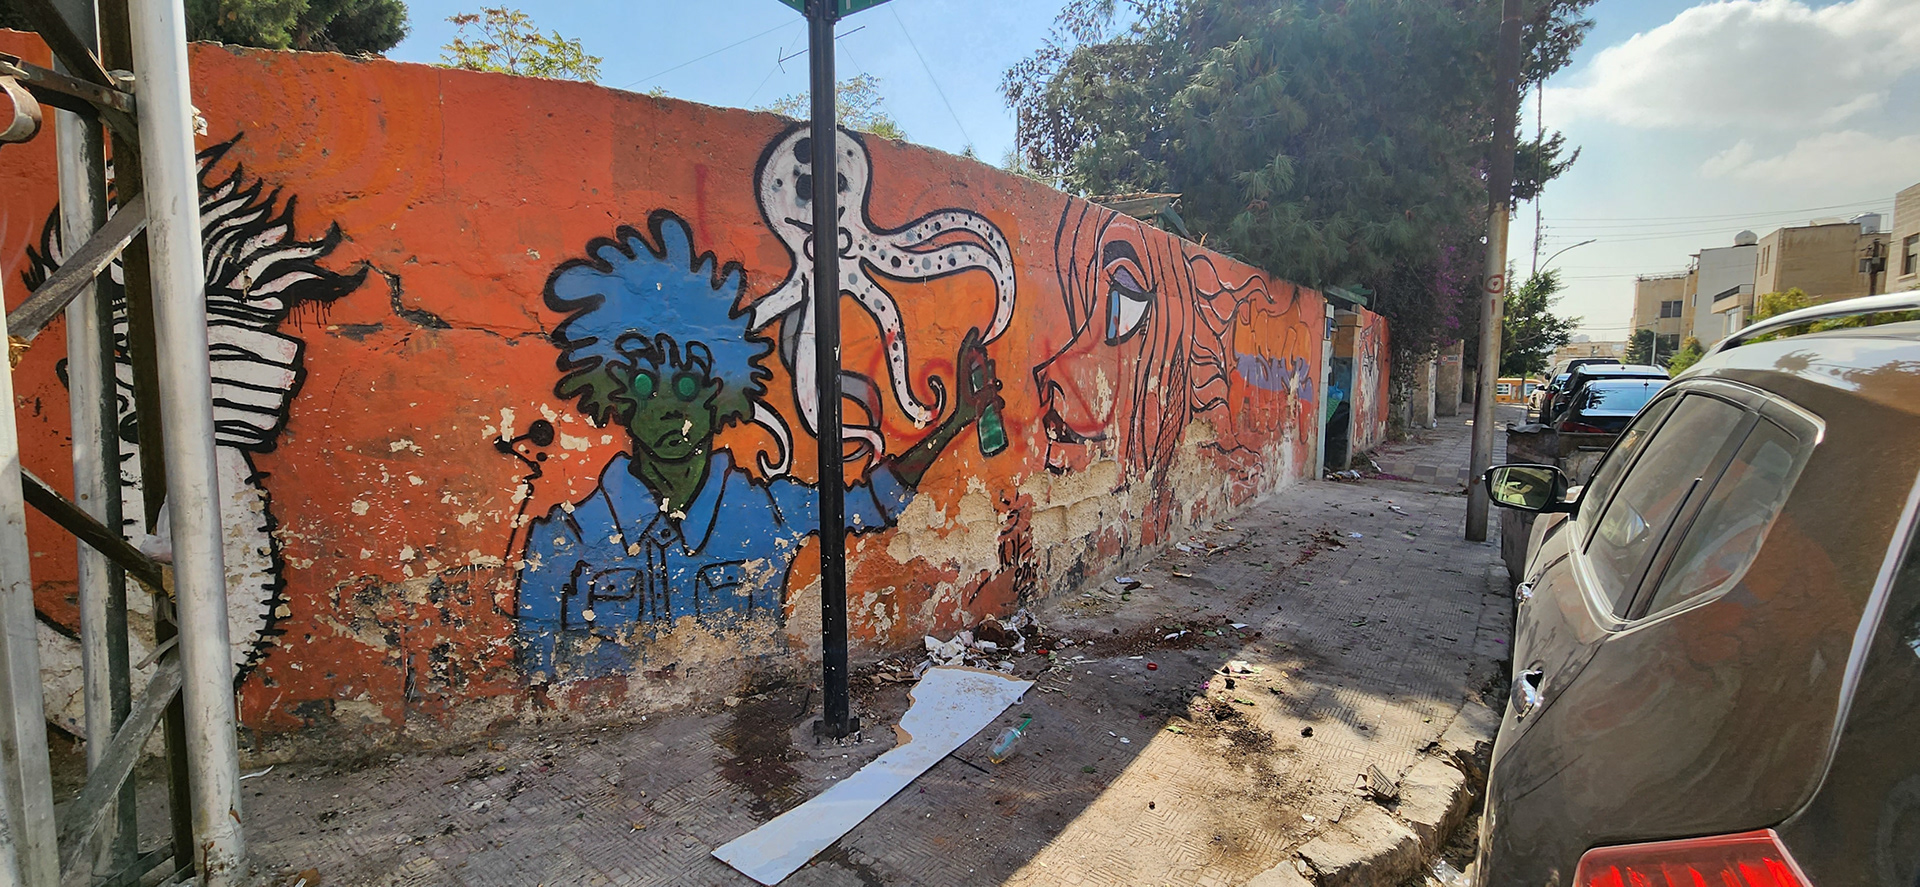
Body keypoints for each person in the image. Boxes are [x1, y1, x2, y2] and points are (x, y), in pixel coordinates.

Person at [516, 214, 1002, 679]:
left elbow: (871, 504)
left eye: (687, 386)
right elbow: (535, 674)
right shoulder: (563, 542)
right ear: (613, 396)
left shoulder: (769, 511)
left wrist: (957, 421)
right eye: (644, 385)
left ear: (721, 394)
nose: (668, 409)